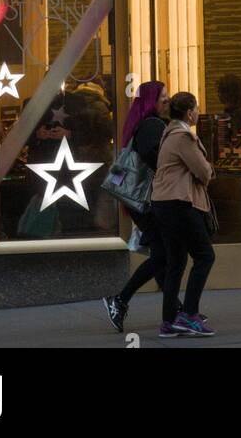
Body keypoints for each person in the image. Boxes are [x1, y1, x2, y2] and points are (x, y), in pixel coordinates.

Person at [102, 80, 170, 333]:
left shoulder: (142, 124)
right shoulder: (152, 125)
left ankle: (176, 309)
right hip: (147, 202)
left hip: (141, 201)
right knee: (163, 254)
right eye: (163, 96)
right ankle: (119, 300)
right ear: (152, 100)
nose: (168, 100)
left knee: (162, 254)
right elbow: (156, 158)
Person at [151, 91, 216, 337]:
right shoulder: (183, 137)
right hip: (179, 203)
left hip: (163, 204)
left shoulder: (168, 134)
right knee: (205, 255)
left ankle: (169, 321)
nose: (198, 113)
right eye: (196, 109)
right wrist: (208, 170)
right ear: (189, 113)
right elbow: (203, 170)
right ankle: (189, 315)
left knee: (176, 262)